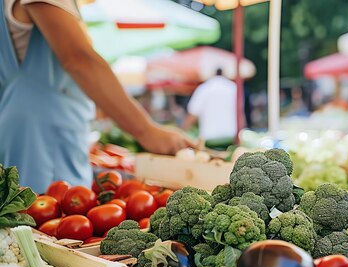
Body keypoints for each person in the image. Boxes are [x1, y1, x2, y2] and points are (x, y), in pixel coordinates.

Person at [0, 0, 194, 193]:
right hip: (40, 142)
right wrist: (147, 131)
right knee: (43, 215)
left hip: (29, 134)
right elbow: (80, 59)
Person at [183, 68, 237, 143]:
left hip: (209, 138)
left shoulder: (204, 88)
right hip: (231, 136)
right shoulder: (233, 88)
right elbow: (240, 113)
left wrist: (182, 131)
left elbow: (193, 114)